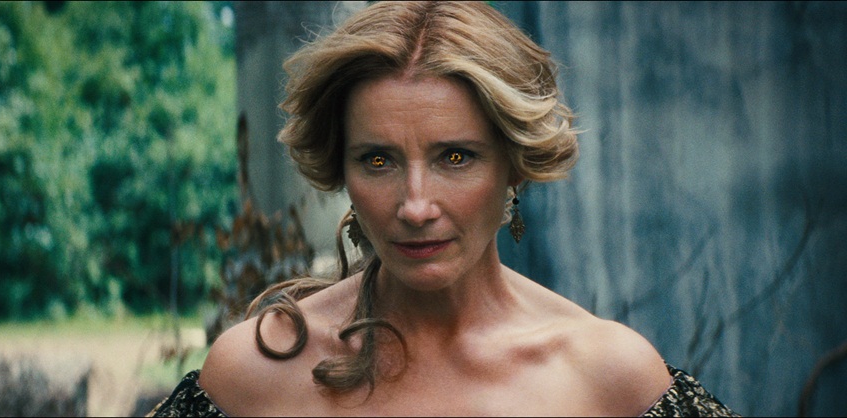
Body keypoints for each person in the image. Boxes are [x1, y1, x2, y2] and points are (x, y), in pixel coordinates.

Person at [151, 2, 737, 416]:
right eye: (377, 160)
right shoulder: (255, 374)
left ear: (513, 163)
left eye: (455, 157)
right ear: (341, 168)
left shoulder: (608, 378)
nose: (414, 206)